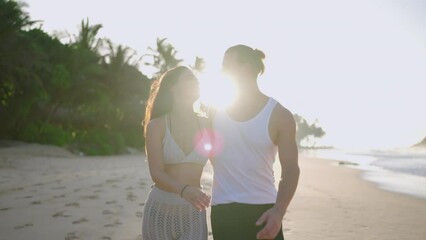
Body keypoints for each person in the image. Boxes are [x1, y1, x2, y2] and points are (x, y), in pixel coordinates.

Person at [210, 45, 300, 240]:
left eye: (226, 66)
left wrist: (279, 211)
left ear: (246, 69)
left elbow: (291, 169)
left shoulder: (279, 115)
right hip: (223, 210)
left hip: (265, 211)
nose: (221, 71)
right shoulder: (214, 112)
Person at [141, 66, 212, 240]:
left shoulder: (208, 123)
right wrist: (185, 190)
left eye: (197, 79)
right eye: (189, 77)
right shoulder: (156, 126)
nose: (196, 81)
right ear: (172, 86)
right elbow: (156, 172)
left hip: (193, 210)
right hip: (159, 210)